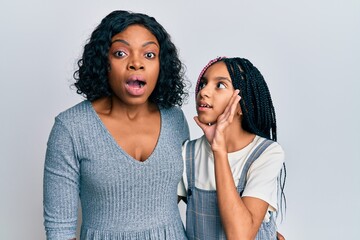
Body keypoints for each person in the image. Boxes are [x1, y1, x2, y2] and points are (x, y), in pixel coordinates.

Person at [43, 10, 190, 240]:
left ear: (162, 65)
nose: (136, 63)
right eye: (120, 53)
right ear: (104, 62)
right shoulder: (71, 128)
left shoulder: (175, 119)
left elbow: (184, 196)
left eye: (149, 54)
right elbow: (60, 231)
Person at [178, 57, 287, 239]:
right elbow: (157, 214)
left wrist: (219, 150)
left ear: (243, 105)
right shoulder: (187, 154)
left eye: (220, 85)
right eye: (203, 83)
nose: (203, 91)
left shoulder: (266, 154)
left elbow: (240, 236)